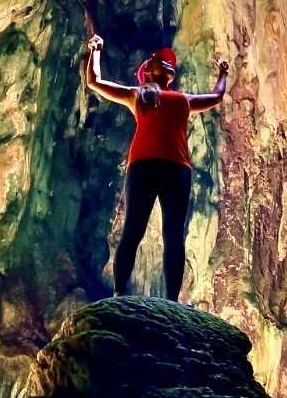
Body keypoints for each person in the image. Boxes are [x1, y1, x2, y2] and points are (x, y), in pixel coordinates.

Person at [85, 34, 230, 301]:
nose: (168, 64)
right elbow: (94, 82)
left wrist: (223, 73)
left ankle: (172, 300)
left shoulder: (184, 99)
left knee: (174, 234)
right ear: (148, 71)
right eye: (161, 61)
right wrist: (96, 51)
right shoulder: (138, 94)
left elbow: (217, 96)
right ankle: (119, 293)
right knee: (133, 228)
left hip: (178, 169)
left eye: (170, 63)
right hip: (143, 166)